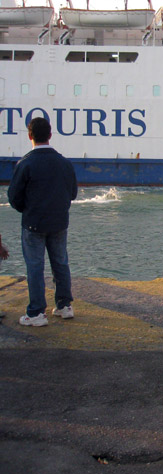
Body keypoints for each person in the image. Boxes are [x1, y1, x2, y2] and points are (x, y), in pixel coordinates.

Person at [7, 117, 78, 327]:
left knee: (35, 267)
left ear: (30, 136)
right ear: (50, 135)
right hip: (59, 222)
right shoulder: (64, 163)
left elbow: (14, 197)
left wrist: (27, 210)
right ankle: (64, 306)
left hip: (33, 223)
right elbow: (72, 193)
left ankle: (37, 312)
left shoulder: (26, 163)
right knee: (61, 263)